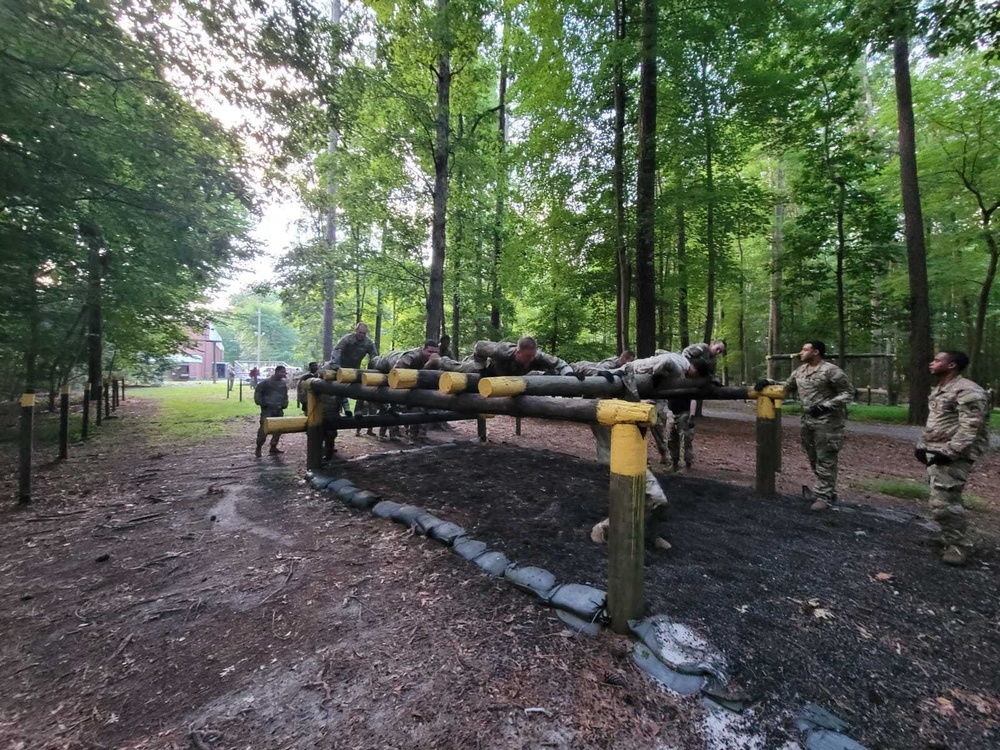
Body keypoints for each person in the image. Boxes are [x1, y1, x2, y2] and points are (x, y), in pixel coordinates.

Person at [756, 340, 853, 512]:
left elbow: (848, 393)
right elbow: (786, 387)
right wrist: (768, 382)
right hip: (808, 420)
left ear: (816, 352)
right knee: (813, 457)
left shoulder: (831, 371)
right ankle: (828, 491)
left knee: (826, 457)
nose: (801, 352)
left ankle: (824, 497)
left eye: (805, 349)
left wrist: (826, 406)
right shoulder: (800, 371)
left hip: (828, 422)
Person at [915, 351, 990, 566]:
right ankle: (949, 535)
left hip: (955, 453)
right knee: (944, 497)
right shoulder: (941, 389)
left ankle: (958, 545)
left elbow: (972, 427)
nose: (932, 363)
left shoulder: (968, 390)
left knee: (943, 502)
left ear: (951, 365)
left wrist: (949, 452)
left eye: (938, 360)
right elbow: (938, 421)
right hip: (938, 450)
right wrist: (922, 445)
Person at [666, 341, 727, 472]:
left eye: (720, 351)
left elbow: (707, 379)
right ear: (712, 344)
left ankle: (687, 465)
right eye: (717, 348)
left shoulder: (710, 363)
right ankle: (674, 463)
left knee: (686, 440)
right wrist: (687, 368)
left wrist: (692, 416)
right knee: (671, 439)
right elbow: (685, 354)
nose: (718, 352)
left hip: (685, 410)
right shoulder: (700, 349)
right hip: (672, 409)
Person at [470, 337, 575, 376]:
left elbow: (559, 363)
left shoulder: (537, 357)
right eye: (528, 356)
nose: (532, 358)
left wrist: (569, 374)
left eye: (533, 355)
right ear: (518, 352)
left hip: (506, 379)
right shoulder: (501, 351)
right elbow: (479, 346)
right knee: (459, 369)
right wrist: (482, 370)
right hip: (486, 368)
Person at [254, 365, 289, 457]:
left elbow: (285, 396)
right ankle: (258, 447)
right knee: (264, 429)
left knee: (278, 429)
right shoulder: (265, 383)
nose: (283, 374)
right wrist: (263, 404)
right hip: (268, 410)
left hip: (279, 409)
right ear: (276, 372)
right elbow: (257, 395)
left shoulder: (283, 384)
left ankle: (273, 446)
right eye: (281, 372)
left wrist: (284, 404)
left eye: (284, 373)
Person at [570, 350, 635, 376]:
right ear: (625, 358)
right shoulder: (610, 363)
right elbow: (602, 371)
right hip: (577, 367)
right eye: (630, 361)